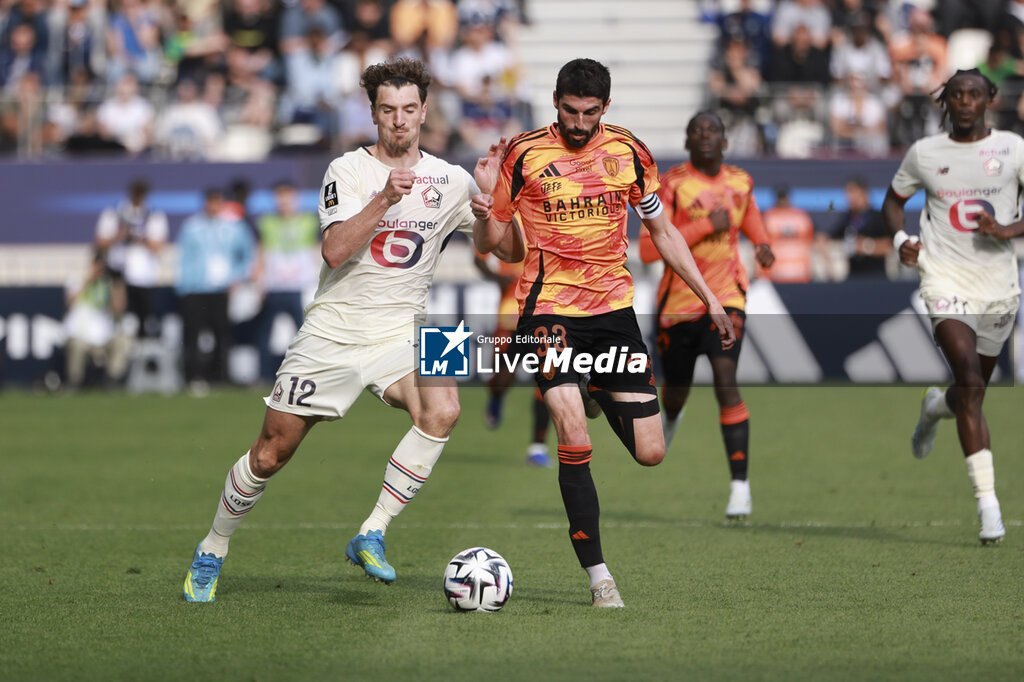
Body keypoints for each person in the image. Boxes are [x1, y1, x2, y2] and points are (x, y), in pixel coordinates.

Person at [182, 58, 511, 602]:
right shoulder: (347, 171)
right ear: (374, 114)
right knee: (269, 452)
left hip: (408, 324)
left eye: (409, 110)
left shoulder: (451, 178)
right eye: (388, 111)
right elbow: (334, 250)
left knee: (446, 407)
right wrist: (385, 198)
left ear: (424, 111)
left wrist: (490, 203)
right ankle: (213, 547)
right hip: (334, 329)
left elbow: (503, 250)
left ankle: (372, 531)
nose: (400, 121)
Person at [472, 58, 735, 608]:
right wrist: (485, 197)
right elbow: (493, 243)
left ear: (605, 109)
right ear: (555, 102)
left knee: (652, 452)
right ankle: (600, 578)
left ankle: (593, 387)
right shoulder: (523, 154)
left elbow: (660, 230)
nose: (579, 123)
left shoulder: (630, 153)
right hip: (546, 310)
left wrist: (710, 297)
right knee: (572, 429)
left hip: (612, 313)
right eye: (570, 111)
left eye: (590, 113)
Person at [881, 69, 1022, 545]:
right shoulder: (925, 152)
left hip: (999, 285)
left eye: (974, 95)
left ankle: (933, 409)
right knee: (970, 380)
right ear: (946, 102)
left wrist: (1007, 230)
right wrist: (901, 238)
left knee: (969, 392)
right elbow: (893, 201)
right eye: (956, 95)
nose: (965, 102)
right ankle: (989, 507)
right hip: (943, 279)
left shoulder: (1012, 149)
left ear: (989, 100)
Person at [638, 111, 774, 521]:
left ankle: (740, 488)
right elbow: (647, 250)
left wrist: (763, 243)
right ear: (687, 142)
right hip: (678, 304)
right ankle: (672, 418)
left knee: (725, 380)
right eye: (697, 132)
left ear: (725, 141)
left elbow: (748, 214)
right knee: (674, 391)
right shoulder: (671, 185)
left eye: (712, 131)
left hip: (727, 296)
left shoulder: (740, 181)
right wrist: (701, 228)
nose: (705, 137)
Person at [473, 246, 553, 467]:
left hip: (547, 308)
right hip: (511, 308)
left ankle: (538, 447)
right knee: (502, 377)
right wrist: (497, 278)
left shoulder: (551, 216)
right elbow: (479, 256)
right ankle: (497, 396)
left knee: (548, 377)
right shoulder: (507, 216)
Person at [175, 187, 256, 394]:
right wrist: (183, 286)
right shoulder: (192, 227)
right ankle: (192, 377)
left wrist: (238, 278)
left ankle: (219, 376)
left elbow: (248, 254)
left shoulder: (233, 228)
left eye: (216, 202)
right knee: (193, 335)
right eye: (209, 202)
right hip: (195, 288)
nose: (213, 206)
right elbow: (183, 258)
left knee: (222, 335)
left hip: (221, 289)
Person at [253, 179, 321, 383]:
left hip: (300, 286)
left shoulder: (309, 221)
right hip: (274, 286)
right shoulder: (267, 222)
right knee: (265, 332)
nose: (283, 201)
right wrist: (259, 282)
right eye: (279, 196)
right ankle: (264, 375)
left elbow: (318, 250)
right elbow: (262, 252)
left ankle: (307, 374)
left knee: (304, 332)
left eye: (287, 196)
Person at [94, 179, 169, 339]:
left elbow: (158, 246)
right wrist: (120, 234)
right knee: (119, 318)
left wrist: (138, 236)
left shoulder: (153, 214)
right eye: (136, 193)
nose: (138, 197)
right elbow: (101, 242)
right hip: (118, 275)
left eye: (141, 193)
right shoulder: (115, 212)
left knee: (143, 321)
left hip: (144, 277)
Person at [62, 249, 131, 390]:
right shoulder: (77, 279)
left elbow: (118, 310)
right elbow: (70, 303)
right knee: (76, 345)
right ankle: (74, 382)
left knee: (123, 341)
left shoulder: (108, 284)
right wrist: (90, 280)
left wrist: (115, 287)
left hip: (103, 337)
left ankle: (112, 381)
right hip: (80, 335)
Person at [822, 176, 890, 279]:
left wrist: (866, 246)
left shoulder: (878, 217)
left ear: (864, 193)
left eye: (852, 192)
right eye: (847, 193)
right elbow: (830, 237)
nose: (849, 197)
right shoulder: (847, 218)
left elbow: (888, 246)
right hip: (853, 277)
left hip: (876, 276)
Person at [759, 184, 814, 283]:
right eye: (780, 197)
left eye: (784, 197)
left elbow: (809, 243)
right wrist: (763, 275)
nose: (782, 200)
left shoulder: (801, 216)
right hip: (776, 275)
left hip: (801, 274)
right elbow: (762, 247)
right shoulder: (768, 217)